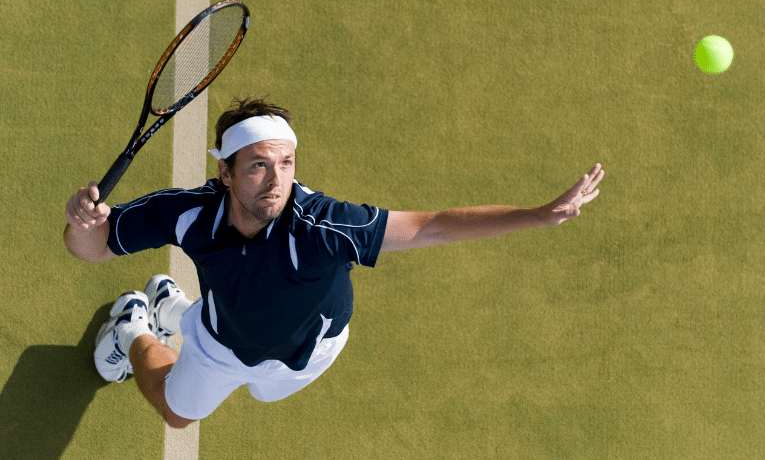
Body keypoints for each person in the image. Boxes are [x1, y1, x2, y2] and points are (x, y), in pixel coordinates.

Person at [64, 96, 604, 429]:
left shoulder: (323, 226)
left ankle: (173, 307)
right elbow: (91, 247)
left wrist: (538, 215)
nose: (277, 180)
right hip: (223, 342)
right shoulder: (186, 214)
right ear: (225, 172)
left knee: (262, 390)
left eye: (286, 163)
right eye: (258, 166)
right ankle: (133, 327)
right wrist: (83, 224)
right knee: (177, 413)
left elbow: (434, 225)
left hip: (308, 353)